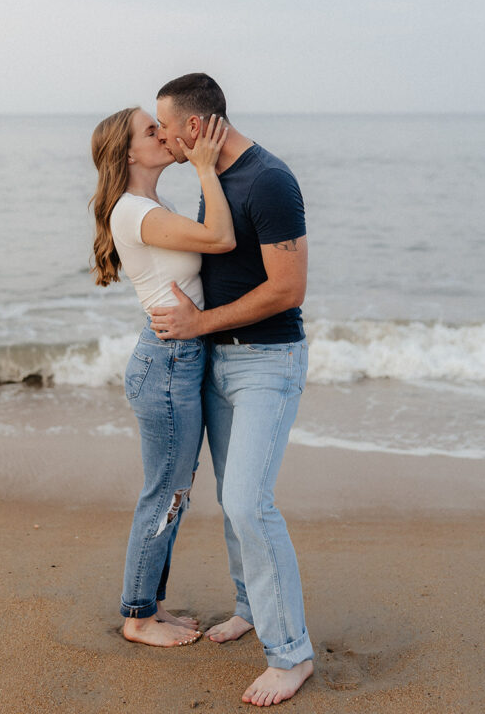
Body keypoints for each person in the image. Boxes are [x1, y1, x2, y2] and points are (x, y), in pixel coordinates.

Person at [150, 74, 314, 707]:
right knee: (230, 496)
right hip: (219, 363)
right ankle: (250, 605)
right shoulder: (212, 175)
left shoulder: (269, 179)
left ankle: (291, 654)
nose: (160, 134)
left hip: (267, 363)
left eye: (165, 124)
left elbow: (287, 289)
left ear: (195, 127)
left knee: (249, 502)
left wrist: (198, 323)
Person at [90, 106, 234, 649]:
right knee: (166, 495)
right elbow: (219, 238)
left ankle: (152, 605)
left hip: (176, 359)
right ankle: (137, 616)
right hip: (166, 365)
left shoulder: (149, 205)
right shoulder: (134, 211)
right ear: (129, 153)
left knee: (176, 492)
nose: (165, 135)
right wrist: (204, 166)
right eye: (152, 131)